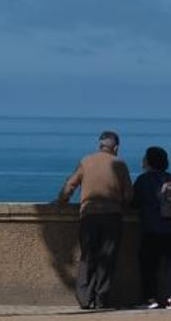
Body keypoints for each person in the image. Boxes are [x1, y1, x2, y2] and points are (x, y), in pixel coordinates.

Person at [56, 130, 134, 310]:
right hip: (112, 215)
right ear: (116, 147)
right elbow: (129, 195)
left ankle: (84, 297)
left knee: (88, 256)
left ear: (100, 145)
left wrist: (62, 201)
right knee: (107, 257)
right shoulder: (119, 164)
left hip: (89, 215)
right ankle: (101, 298)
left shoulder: (86, 161)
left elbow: (70, 185)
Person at [132, 146, 171, 310]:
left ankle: (150, 299)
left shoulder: (143, 180)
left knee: (149, 262)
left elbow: (133, 202)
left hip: (155, 228)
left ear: (148, 161)